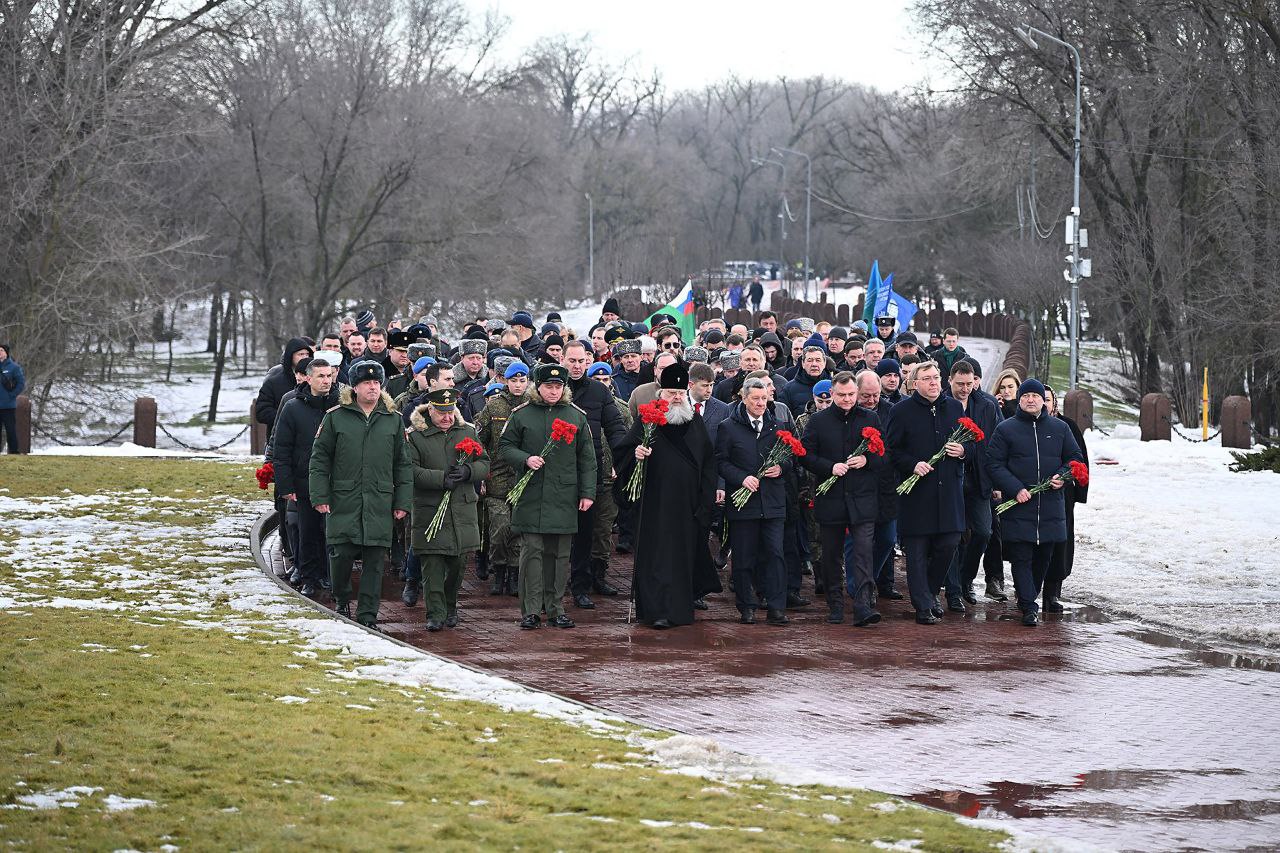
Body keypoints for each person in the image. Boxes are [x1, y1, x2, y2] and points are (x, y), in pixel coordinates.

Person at [308, 361, 413, 628]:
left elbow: (403, 464)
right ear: (355, 387)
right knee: (341, 555)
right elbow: (319, 460)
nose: (372, 388)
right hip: (344, 499)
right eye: (367, 383)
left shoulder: (392, 420)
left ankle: (368, 615)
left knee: (375, 561)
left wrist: (402, 501)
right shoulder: (336, 417)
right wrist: (320, 496)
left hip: (379, 500)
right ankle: (342, 599)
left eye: (376, 383)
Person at [617, 361, 721, 628]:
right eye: (670, 393)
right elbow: (624, 453)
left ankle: (679, 610)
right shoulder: (647, 419)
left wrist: (705, 500)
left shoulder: (695, 422)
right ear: (660, 393)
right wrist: (636, 455)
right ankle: (657, 612)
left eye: (680, 393)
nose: (676, 398)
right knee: (657, 558)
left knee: (682, 559)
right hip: (655, 504)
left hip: (687, 506)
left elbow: (709, 463)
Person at [499, 363, 596, 630]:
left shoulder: (576, 416)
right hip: (531, 494)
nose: (553, 391)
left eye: (558, 386)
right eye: (548, 386)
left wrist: (587, 493)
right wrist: (525, 459)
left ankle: (555, 609)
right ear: (538, 387)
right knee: (531, 553)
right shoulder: (522, 414)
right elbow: (505, 446)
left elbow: (587, 459)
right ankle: (530, 611)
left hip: (564, 495)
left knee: (559, 555)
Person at [986, 379, 1084, 626]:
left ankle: (1027, 596)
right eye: (1026, 396)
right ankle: (1029, 606)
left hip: (1051, 506)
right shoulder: (1006, 429)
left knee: (1043, 559)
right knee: (1021, 557)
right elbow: (993, 464)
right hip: (1019, 505)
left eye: (1036, 396)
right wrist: (1015, 488)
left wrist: (1062, 476)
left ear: (1044, 400)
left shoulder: (1060, 428)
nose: (1031, 400)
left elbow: (1075, 458)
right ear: (1019, 399)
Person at [801, 371, 892, 626]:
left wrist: (866, 460)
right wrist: (829, 467)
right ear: (832, 393)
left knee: (863, 552)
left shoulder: (870, 418)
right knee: (831, 554)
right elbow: (805, 455)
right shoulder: (818, 421)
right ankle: (835, 604)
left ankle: (863, 605)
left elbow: (885, 455)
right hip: (831, 499)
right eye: (842, 395)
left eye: (851, 394)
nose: (847, 399)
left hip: (862, 499)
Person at [886, 361, 973, 625]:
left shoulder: (955, 408)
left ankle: (931, 591)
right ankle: (923, 607)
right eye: (927, 378)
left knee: (949, 543)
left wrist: (964, 451)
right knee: (916, 552)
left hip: (949, 493)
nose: (934, 382)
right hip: (917, 493)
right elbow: (891, 451)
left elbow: (973, 445)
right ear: (915, 383)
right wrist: (912, 464)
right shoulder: (901, 411)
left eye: (936, 377)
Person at [406, 388, 490, 631]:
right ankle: (435, 613)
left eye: (450, 411)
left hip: (461, 509)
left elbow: (485, 463)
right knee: (432, 563)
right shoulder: (416, 436)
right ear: (430, 410)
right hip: (430, 509)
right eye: (441, 412)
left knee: (457, 564)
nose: (447, 417)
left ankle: (450, 606)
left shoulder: (468, 431)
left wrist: (468, 471)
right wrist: (440, 479)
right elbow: (409, 470)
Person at [717, 377, 791, 626]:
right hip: (743, 504)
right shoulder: (728, 427)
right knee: (744, 556)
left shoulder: (778, 425)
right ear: (744, 398)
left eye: (764, 398)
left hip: (772, 502)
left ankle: (776, 607)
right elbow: (721, 462)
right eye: (755, 399)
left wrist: (781, 467)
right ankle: (746, 606)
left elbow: (791, 458)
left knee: (775, 554)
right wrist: (742, 478)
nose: (760, 403)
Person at [561, 341, 627, 609]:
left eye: (581, 361)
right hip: (557, 474)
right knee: (557, 536)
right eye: (572, 361)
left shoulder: (599, 391)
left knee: (586, 534)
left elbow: (615, 427)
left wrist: (625, 455)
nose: (577, 366)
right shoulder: (552, 388)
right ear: (562, 360)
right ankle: (551, 589)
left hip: (590, 473)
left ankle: (581, 587)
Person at [271, 357, 339, 596]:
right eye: (321, 376)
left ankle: (329, 575)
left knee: (332, 532)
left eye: (329, 375)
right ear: (308, 378)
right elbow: (282, 449)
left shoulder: (341, 405)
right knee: (307, 531)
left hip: (335, 480)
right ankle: (309, 577)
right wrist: (285, 485)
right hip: (305, 480)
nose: (326, 381)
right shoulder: (293, 407)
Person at [942, 359, 1003, 613]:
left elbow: (992, 444)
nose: (965, 389)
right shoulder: (942, 404)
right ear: (950, 380)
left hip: (979, 479)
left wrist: (996, 481)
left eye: (969, 384)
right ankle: (954, 591)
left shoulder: (986, 405)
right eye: (960, 384)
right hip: (949, 480)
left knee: (983, 532)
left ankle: (966, 578)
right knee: (953, 536)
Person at [473, 361, 530, 596]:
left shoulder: (532, 405)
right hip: (496, 477)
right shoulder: (494, 406)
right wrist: (481, 474)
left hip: (523, 479)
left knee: (517, 530)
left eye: (522, 381)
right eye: (513, 380)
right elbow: (478, 441)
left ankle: (514, 575)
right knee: (499, 529)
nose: (518, 385)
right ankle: (499, 571)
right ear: (505, 381)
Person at [1043, 384, 1089, 613]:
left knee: (1060, 543)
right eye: (1038, 398)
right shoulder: (1022, 426)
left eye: (1047, 399)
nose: (1042, 403)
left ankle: (1052, 592)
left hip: (1062, 494)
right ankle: (1027, 590)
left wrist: (1079, 491)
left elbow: (1080, 459)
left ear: (1054, 403)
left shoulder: (1067, 426)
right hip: (1032, 493)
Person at [254, 337, 314, 440]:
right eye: (300, 354)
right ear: (291, 356)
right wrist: (288, 417)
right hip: (280, 436)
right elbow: (262, 412)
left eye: (307, 354)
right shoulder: (274, 382)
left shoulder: (315, 379)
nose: (304, 357)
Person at [780, 346, 832, 415]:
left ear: (824, 363)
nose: (814, 364)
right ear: (803, 363)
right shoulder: (789, 389)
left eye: (818, 360)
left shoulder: (836, 386)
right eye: (810, 360)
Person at [0, 343, 26, 454]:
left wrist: (11, 395)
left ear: (6, 353)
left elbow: (21, 384)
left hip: (8, 406)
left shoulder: (14, 367)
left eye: (1, 350)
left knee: (10, 430)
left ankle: (14, 452)